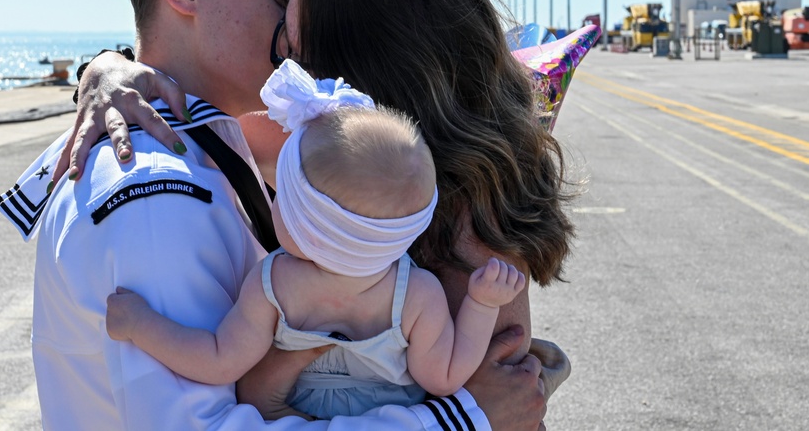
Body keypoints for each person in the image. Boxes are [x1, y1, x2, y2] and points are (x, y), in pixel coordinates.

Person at [0, 0, 548, 430]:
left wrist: (108, 65)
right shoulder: (153, 188)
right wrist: (462, 420)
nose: (288, 44)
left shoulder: (234, 153)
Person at [105, 59, 527, 420]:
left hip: (290, 415)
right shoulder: (416, 293)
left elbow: (217, 360)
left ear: (303, 227)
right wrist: (481, 305)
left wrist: (141, 325)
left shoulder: (274, 285)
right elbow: (446, 376)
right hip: (393, 420)